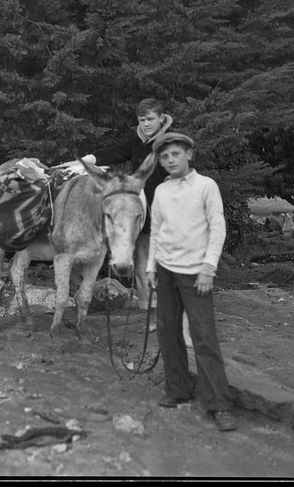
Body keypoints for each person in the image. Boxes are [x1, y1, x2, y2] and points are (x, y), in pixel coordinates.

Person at [58, 98, 190, 341]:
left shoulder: (171, 144)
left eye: (151, 119)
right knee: (142, 269)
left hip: (167, 217)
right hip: (138, 218)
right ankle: (151, 317)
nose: (146, 124)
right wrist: (92, 158)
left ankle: (178, 321)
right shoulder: (138, 143)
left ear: (162, 118)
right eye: (142, 120)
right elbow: (116, 151)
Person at [146, 132, 237, 432]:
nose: (170, 160)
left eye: (175, 154)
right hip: (165, 270)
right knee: (167, 332)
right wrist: (150, 268)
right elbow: (157, 230)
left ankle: (219, 404)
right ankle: (178, 388)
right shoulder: (161, 191)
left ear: (189, 155)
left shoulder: (205, 186)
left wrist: (208, 268)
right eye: (164, 157)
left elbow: (218, 227)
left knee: (203, 337)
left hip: (196, 273)